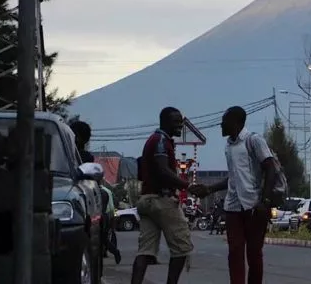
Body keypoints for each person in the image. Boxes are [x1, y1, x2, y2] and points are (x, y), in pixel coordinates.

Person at [192, 106, 278, 284]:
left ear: (236, 123)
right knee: (235, 251)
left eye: (224, 122)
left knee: (254, 254)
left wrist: (265, 201)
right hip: (233, 207)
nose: (221, 125)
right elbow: (233, 178)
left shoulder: (253, 141)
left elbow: (271, 168)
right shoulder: (229, 146)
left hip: (254, 206)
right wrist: (209, 189)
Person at [130, 107, 201, 284]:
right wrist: (188, 186)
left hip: (146, 200)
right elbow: (163, 170)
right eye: (176, 122)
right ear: (165, 122)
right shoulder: (161, 141)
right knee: (182, 247)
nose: (180, 126)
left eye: (181, 122)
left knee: (145, 251)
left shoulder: (154, 140)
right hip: (160, 201)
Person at [99, 184, 122, 264]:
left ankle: (112, 251)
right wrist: (114, 216)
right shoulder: (108, 191)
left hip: (103, 215)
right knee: (106, 237)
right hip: (108, 215)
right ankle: (113, 251)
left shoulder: (100, 192)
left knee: (103, 238)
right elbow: (113, 207)